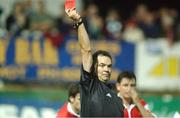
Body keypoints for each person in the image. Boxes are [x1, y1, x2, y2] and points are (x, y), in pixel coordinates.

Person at [65, 8, 124, 117]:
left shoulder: (118, 99)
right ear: (94, 67)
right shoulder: (89, 85)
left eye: (109, 66)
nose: (106, 69)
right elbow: (86, 50)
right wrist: (79, 22)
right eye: (102, 65)